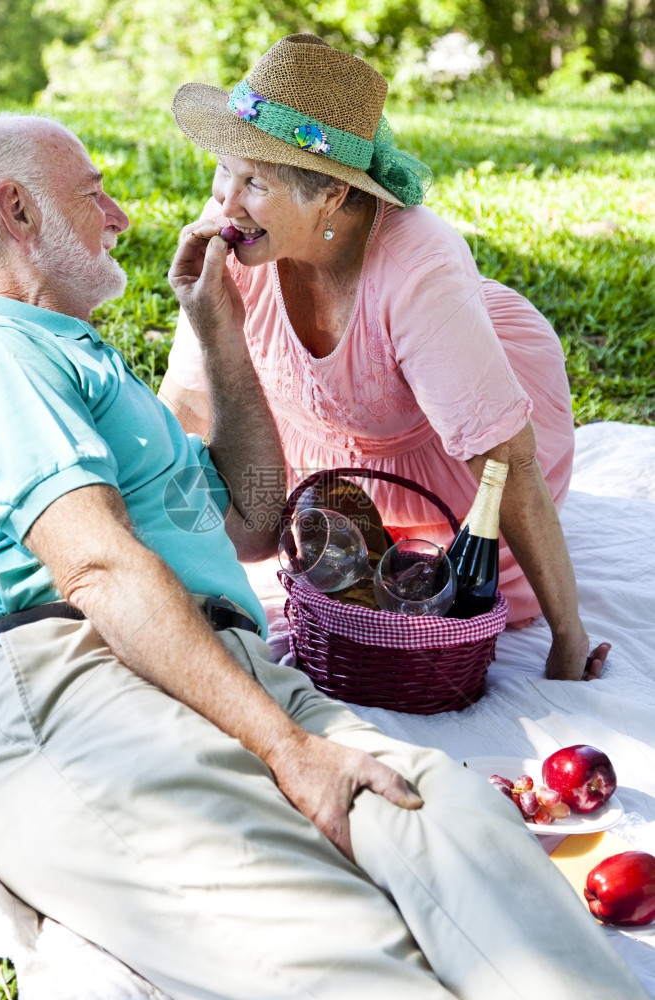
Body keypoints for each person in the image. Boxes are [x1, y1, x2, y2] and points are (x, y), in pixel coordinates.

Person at [0, 113, 646, 1000]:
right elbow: (94, 570)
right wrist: (287, 748)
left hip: (216, 663)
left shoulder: (93, 368)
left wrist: (218, 332)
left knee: (448, 816)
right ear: (16, 211)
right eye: (94, 191)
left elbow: (251, 521)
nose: (122, 214)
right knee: (329, 939)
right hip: (76, 676)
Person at [161, 32, 608, 682]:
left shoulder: (414, 268)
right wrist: (211, 329)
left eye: (255, 180)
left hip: (447, 478)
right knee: (262, 543)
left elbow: (504, 460)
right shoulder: (237, 234)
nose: (225, 202)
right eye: (223, 169)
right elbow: (188, 407)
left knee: (439, 605)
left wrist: (567, 634)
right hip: (324, 460)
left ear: (332, 196)